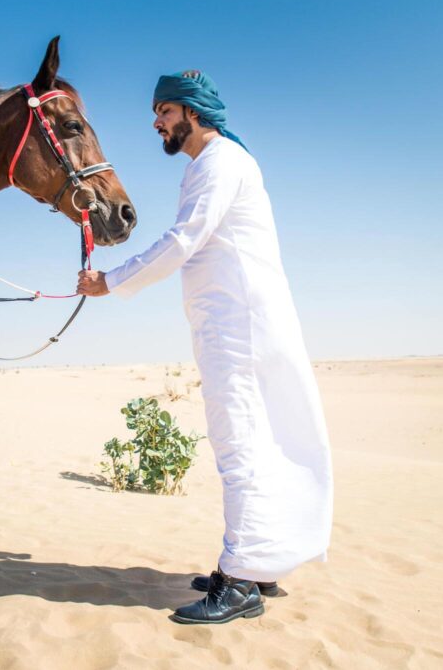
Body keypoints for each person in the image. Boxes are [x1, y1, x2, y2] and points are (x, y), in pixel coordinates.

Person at [76, 70, 333, 625]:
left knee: (238, 442)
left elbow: (183, 241)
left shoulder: (218, 162)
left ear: (192, 112)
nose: (156, 122)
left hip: (238, 328)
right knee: (257, 440)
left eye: (165, 111)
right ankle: (258, 562)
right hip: (237, 322)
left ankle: (240, 583)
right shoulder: (220, 163)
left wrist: (110, 280)